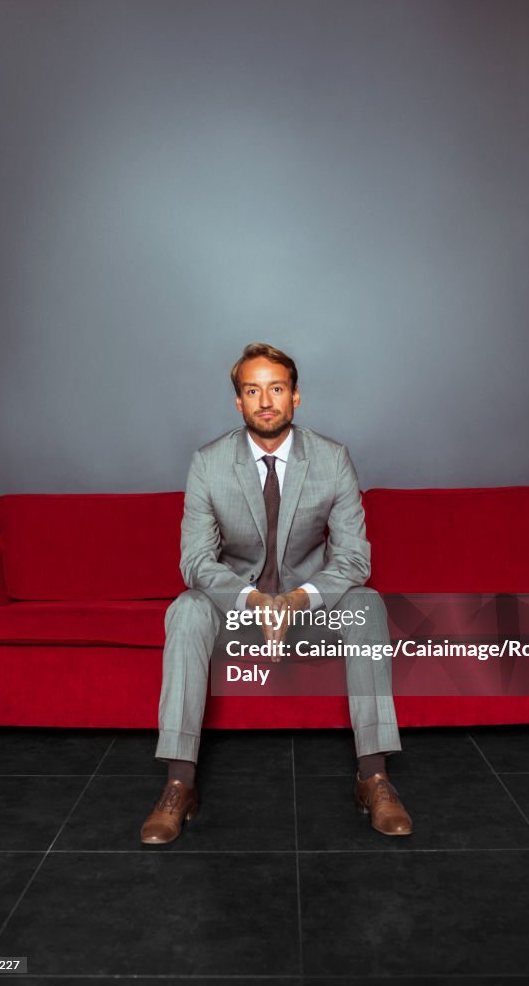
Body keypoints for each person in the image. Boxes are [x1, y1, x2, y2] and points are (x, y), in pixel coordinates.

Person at [140, 343, 412, 843]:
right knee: (186, 610)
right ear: (238, 403)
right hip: (238, 613)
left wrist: (295, 600)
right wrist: (253, 602)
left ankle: (373, 777)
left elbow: (354, 559)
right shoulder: (208, 464)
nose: (266, 400)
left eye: (277, 388)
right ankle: (179, 784)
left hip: (310, 611)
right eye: (252, 390)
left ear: (296, 398)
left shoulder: (331, 460)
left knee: (367, 603)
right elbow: (195, 562)